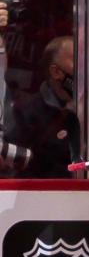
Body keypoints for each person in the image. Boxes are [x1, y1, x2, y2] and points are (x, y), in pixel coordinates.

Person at [6, 36, 80, 178]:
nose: (88, 67)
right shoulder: (26, 112)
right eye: (78, 60)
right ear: (56, 72)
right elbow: (17, 165)